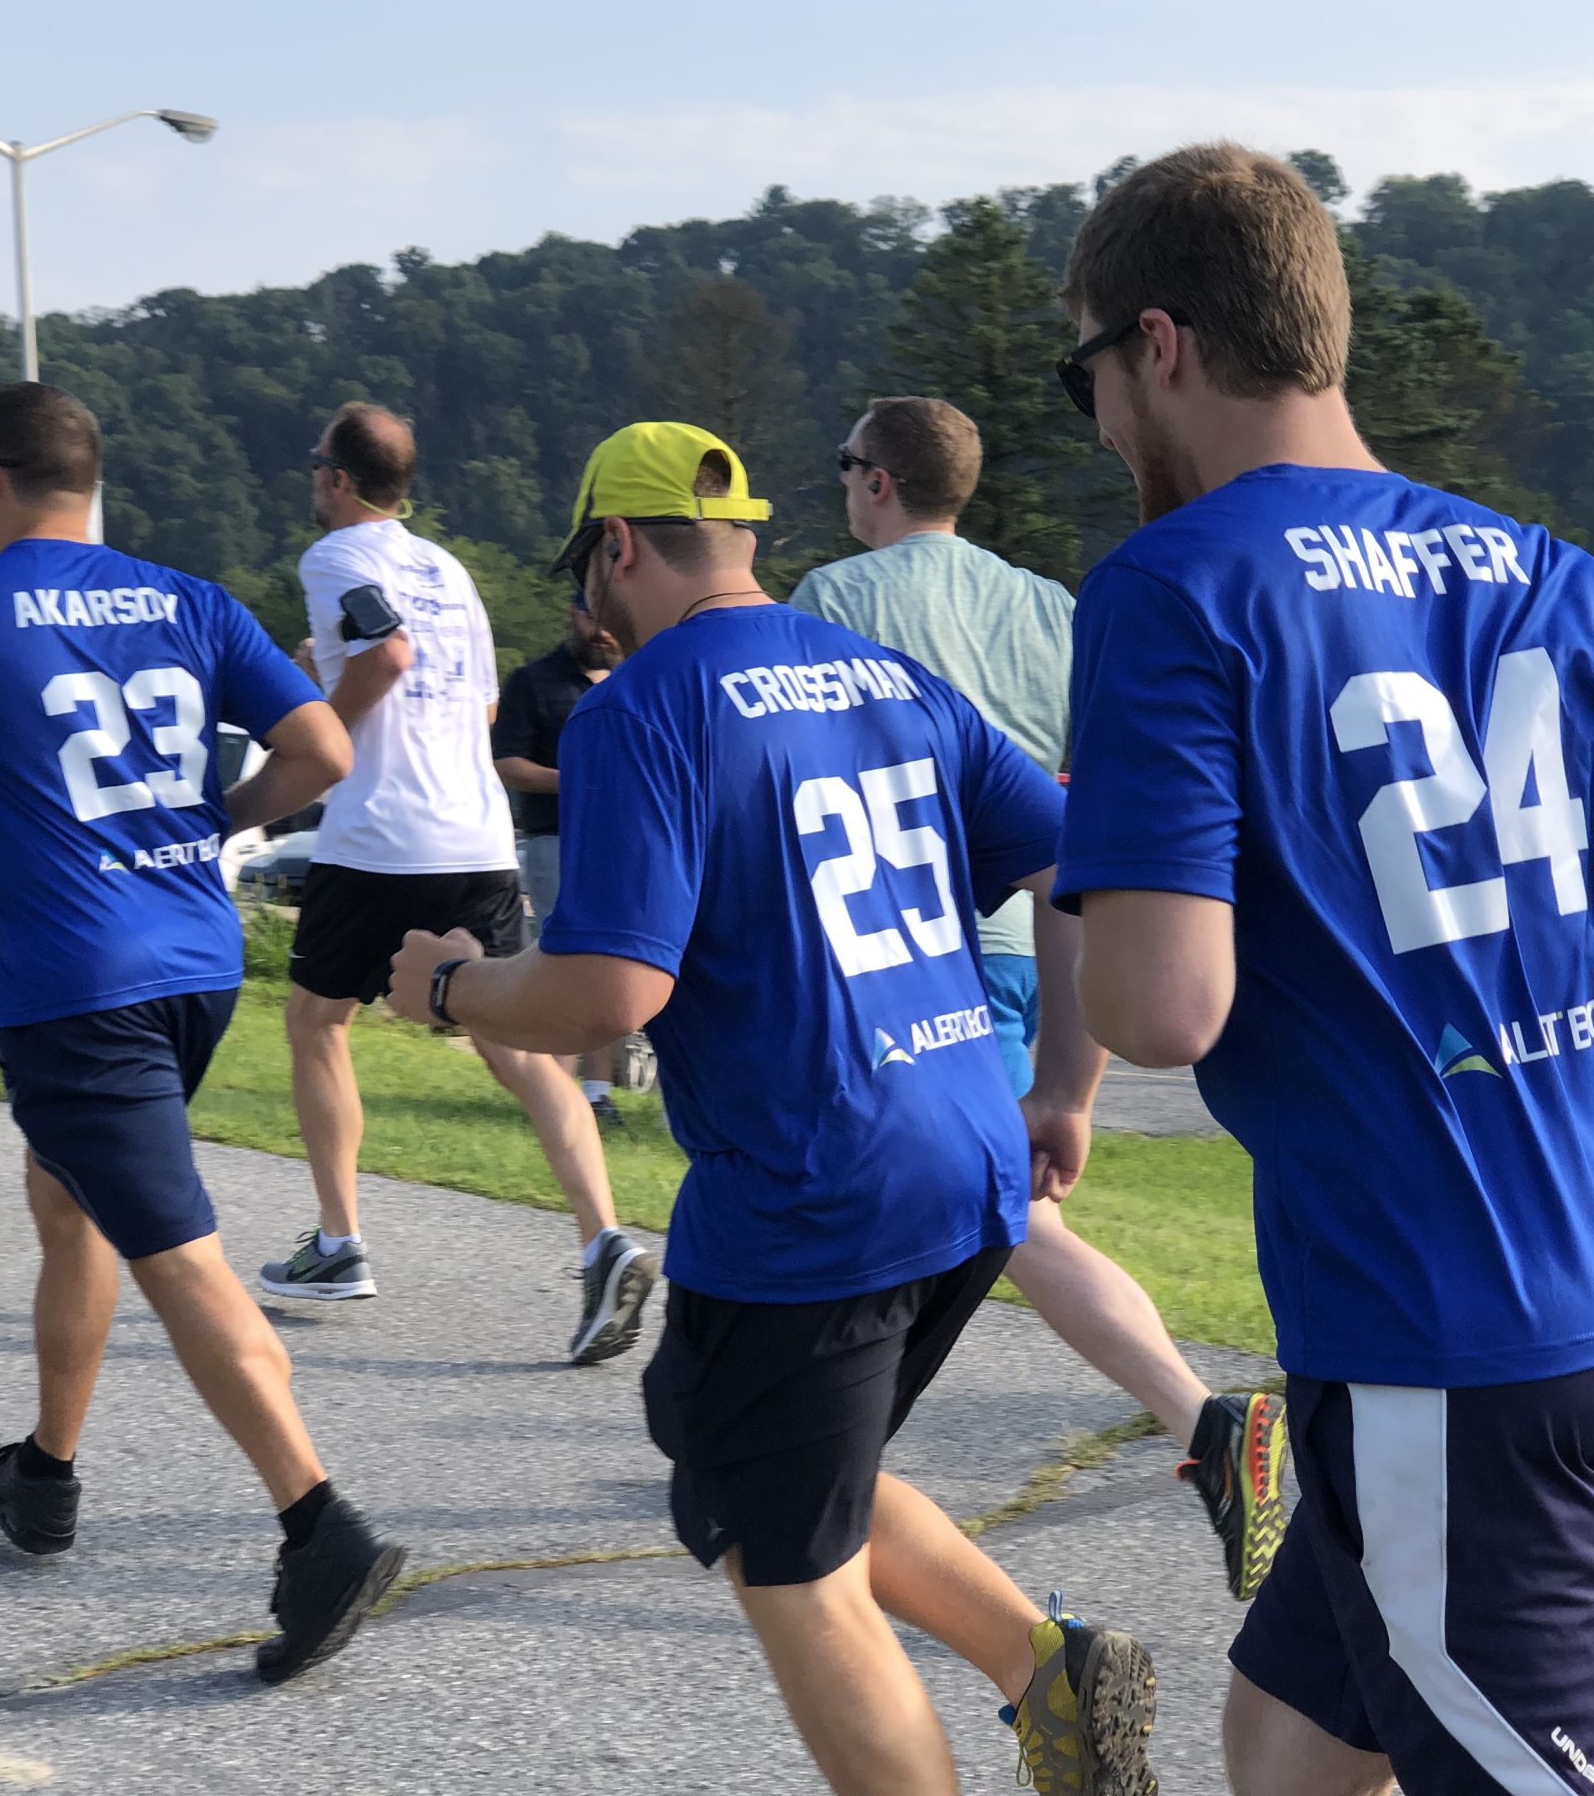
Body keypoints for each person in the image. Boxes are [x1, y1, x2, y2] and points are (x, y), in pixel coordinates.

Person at [1053, 144, 1594, 1796]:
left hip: (1450, 1345)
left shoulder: (1173, 586)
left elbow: (1162, 1011)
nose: (1089, 413)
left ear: (1157, 344)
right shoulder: (1559, 576)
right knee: (1289, 1741)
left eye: (1078, 367)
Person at [385, 422, 1158, 1796]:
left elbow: (611, 991)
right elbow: (1077, 861)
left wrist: (458, 990)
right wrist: (1064, 1088)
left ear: (617, 547)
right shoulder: (894, 678)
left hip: (816, 1195)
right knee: (741, 1462)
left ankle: (1043, 1672)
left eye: (587, 570)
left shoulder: (643, 706)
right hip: (965, 1158)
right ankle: (1051, 1666)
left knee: (786, 1564)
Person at [0, 381, 403, 1684]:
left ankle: (316, 1521)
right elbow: (323, 747)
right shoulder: (188, 598)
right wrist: (213, 822)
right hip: (196, 960)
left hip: (76, 983)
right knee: (69, 1197)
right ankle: (45, 1471)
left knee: (174, 1251)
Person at [793, 393, 1289, 1602]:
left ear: (875, 481)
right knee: (1001, 1206)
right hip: (1034, 933)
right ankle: (1195, 1424)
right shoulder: (1047, 608)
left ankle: (821, 1474)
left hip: (901, 941)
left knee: (949, 1208)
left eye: (844, 464)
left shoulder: (832, 604)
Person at [260, 403, 653, 1366]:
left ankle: (340, 1242)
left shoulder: (336, 558)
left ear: (342, 482)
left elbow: (386, 653)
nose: (313, 482)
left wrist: (324, 718)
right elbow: (466, 696)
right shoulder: (450, 570)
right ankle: (603, 1240)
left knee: (318, 1023)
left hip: (382, 833)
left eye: (317, 467)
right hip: (476, 831)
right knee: (513, 1042)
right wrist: (342, 676)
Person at [490, 590, 625, 1127]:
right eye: (592, 617)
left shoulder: (638, 676)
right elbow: (507, 763)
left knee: (616, 965)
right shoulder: (534, 681)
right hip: (557, 839)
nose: (603, 631)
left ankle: (598, 1093)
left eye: (609, 619)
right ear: (573, 614)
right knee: (565, 959)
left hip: (626, 841)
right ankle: (555, 1089)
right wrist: (578, 783)